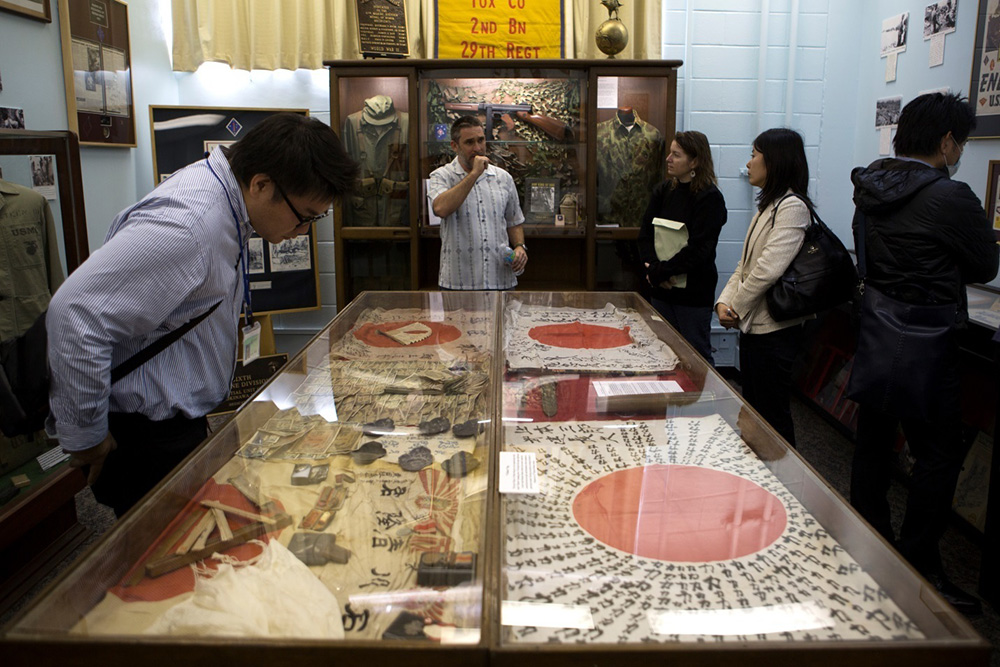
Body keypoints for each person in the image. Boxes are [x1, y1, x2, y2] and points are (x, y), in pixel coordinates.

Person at [46, 113, 359, 516]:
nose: (305, 232)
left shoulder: (225, 197)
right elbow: (76, 313)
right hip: (144, 435)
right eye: (306, 216)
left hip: (175, 425)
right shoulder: (189, 227)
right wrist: (86, 435)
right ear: (262, 184)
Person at [848, 93, 998, 615]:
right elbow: (984, 265)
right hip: (930, 338)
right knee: (938, 453)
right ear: (946, 141)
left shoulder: (868, 186)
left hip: (878, 330)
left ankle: (866, 543)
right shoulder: (950, 195)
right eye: (960, 141)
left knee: (872, 439)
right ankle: (916, 567)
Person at [716, 128, 814, 447]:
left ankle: (784, 482)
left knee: (772, 415)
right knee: (755, 410)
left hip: (775, 331)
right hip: (754, 328)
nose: (748, 163)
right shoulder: (767, 207)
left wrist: (736, 307)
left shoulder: (792, 207)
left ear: (774, 161)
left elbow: (767, 270)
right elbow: (744, 267)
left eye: (754, 155)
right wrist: (724, 302)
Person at [638, 130, 727, 364]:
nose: (668, 159)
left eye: (676, 155)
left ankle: (701, 401)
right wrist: (654, 270)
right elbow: (645, 234)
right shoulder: (663, 191)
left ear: (695, 161)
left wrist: (661, 272)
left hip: (692, 296)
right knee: (662, 354)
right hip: (661, 289)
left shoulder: (710, 199)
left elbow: (699, 250)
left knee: (694, 357)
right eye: (670, 153)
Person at [429, 115, 527, 290]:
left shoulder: (503, 178)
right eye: (469, 143)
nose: (478, 148)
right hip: (459, 283)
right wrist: (474, 174)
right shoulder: (441, 176)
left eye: (481, 140)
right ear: (454, 146)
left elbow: (514, 221)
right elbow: (440, 208)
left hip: (500, 280)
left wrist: (520, 246)